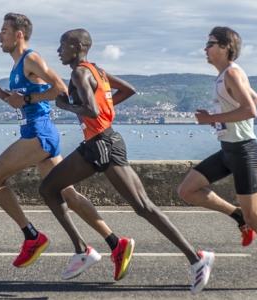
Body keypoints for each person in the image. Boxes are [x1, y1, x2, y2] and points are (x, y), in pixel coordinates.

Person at [38, 28, 214, 294]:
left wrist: (67, 107)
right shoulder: (95, 70)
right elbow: (128, 90)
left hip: (101, 145)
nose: (58, 50)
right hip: (103, 142)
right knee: (142, 207)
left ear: (76, 46)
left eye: (62, 45)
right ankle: (194, 258)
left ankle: (195, 259)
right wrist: (103, 113)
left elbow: (91, 109)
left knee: (51, 189)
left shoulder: (79, 73)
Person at [0, 13, 130, 275]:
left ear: (19, 34)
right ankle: (115, 243)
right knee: (69, 195)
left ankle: (32, 237)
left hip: (38, 134)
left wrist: (25, 99)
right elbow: (27, 99)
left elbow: (60, 89)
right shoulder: (18, 63)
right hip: (40, 133)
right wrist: (3, 95)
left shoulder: (31, 58)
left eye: (3, 30)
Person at [177, 26, 257, 290]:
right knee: (187, 190)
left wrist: (212, 118)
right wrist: (221, 114)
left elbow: (250, 110)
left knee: (256, 216)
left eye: (211, 43)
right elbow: (255, 98)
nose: (205, 48)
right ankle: (238, 217)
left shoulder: (233, 73)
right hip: (228, 149)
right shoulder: (225, 75)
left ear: (226, 47)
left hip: (243, 151)